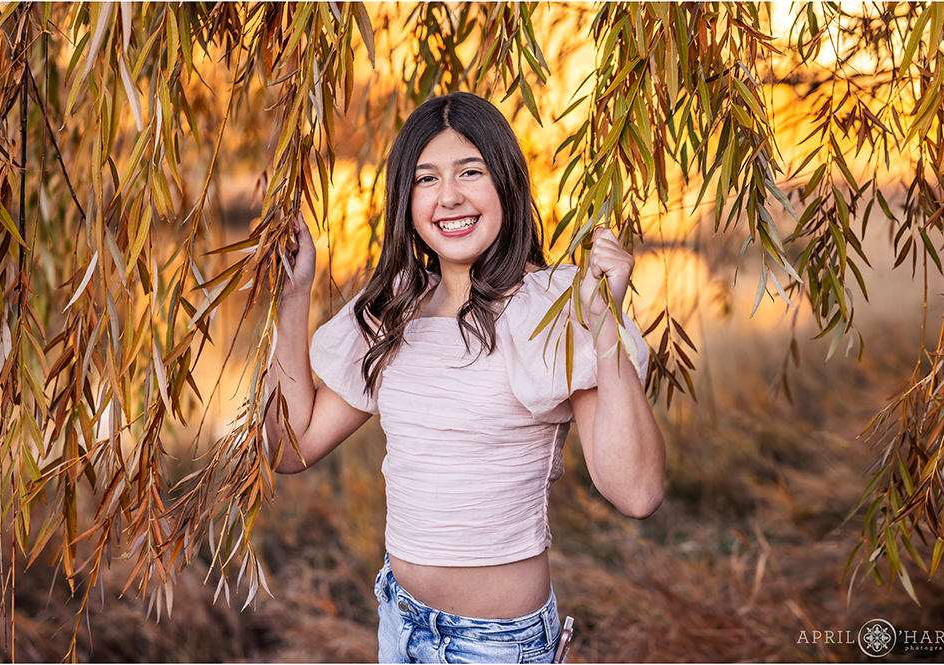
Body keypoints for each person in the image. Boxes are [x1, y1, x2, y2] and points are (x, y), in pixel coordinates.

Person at [264, 91, 665, 664]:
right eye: (426, 179)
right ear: (407, 200)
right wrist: (294, 294)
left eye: (469, 171)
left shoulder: (554, 306)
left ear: (506, 181)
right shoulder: (394, 308)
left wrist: (602, 329)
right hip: (400, 621)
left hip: (496, 646)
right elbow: (290, 448)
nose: (448, 196)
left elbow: (638, 493)